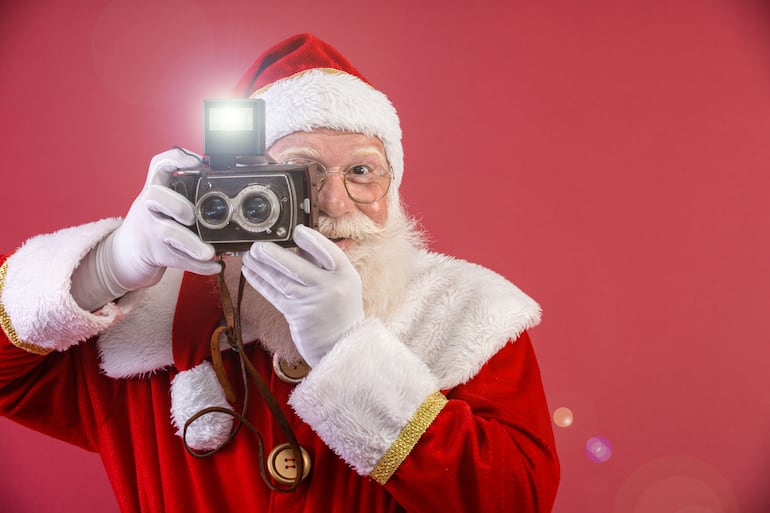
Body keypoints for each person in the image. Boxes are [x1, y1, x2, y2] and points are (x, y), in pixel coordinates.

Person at [0, 33, 560, 513]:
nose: (336, 203)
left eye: (363, 171)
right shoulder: (151, 321)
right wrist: (107, 265)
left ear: (393, 183)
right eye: (300, 173)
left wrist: (351, 353)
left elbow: (518, 498)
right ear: (240, 192)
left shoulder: (464, 313)